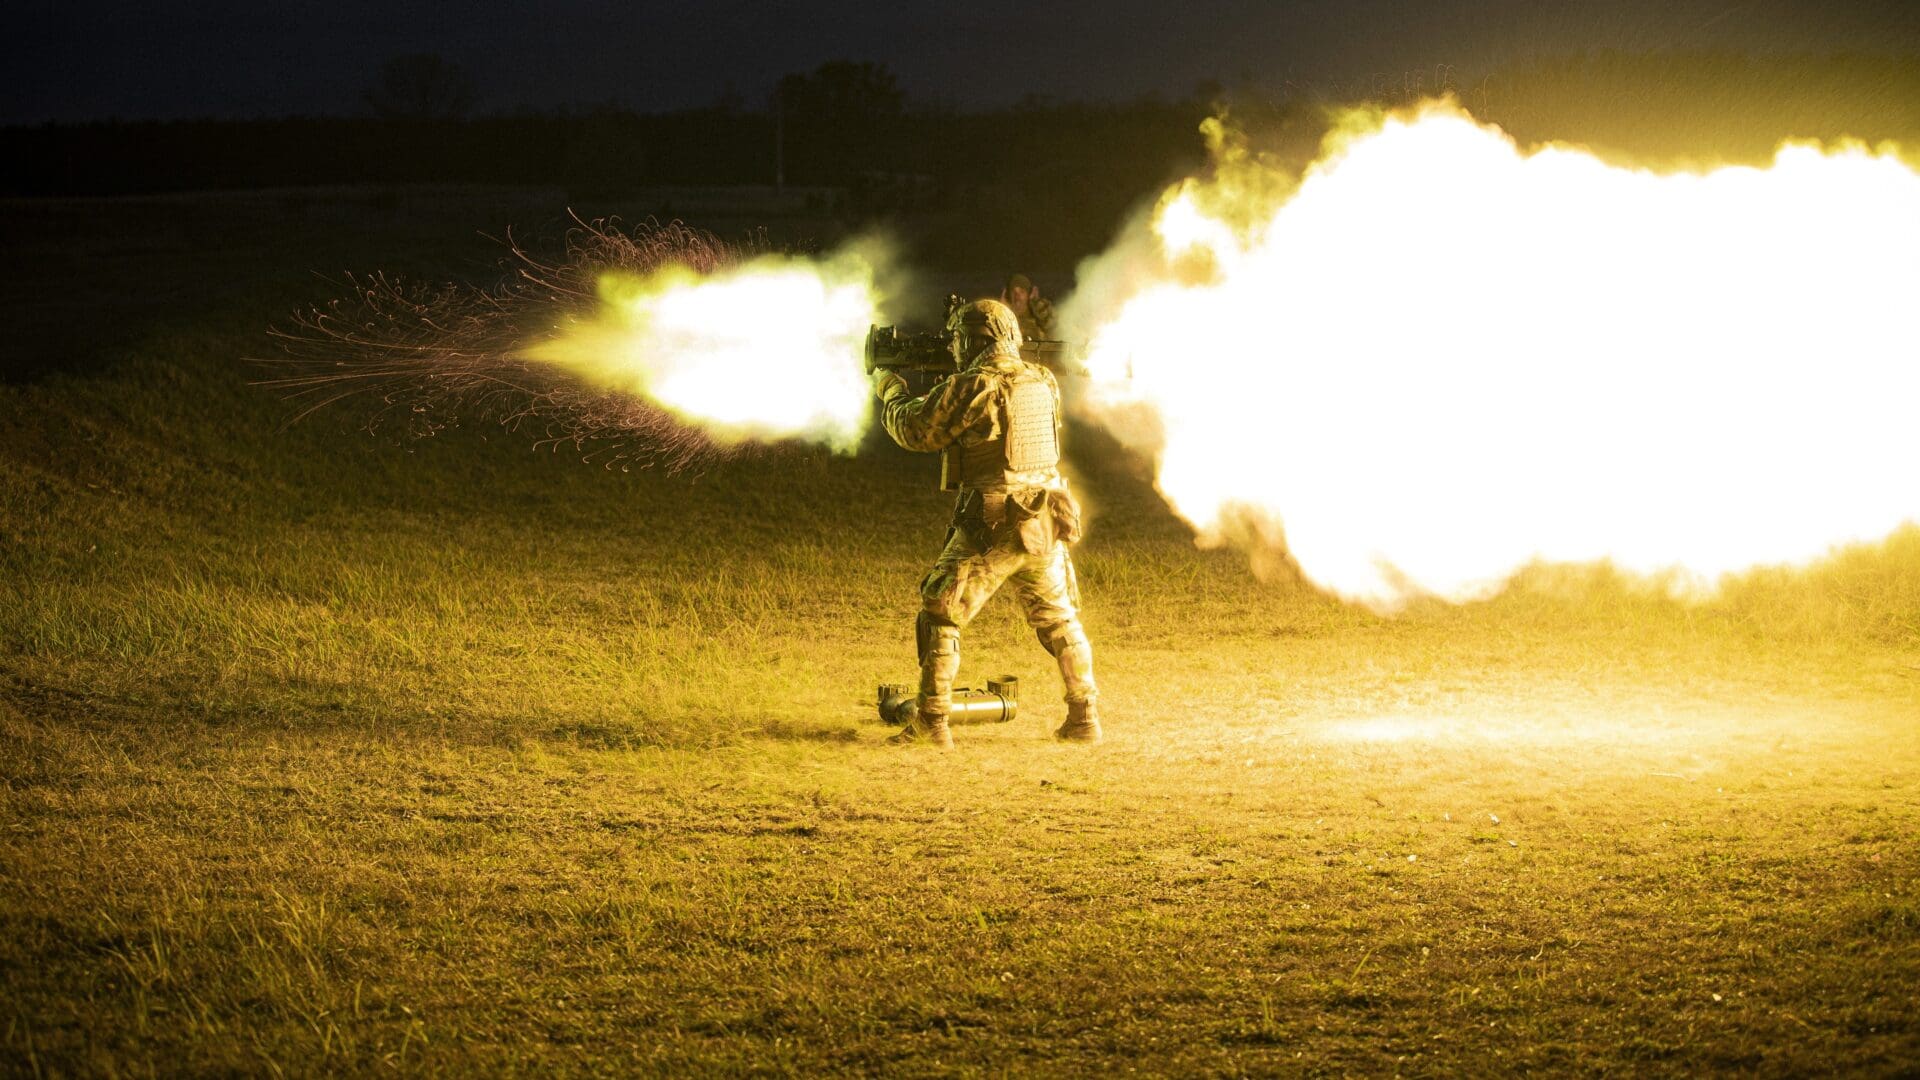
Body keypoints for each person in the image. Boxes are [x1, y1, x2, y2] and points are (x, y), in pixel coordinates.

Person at [872, 298, 1101, 749]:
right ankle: (1084, 716)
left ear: (971, 339)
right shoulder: (1043, 379)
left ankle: (933, 721)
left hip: (993, 522)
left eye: (958, 339)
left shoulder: (974, 383)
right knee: (1059, 619)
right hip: (1045, 520)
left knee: (941, 609)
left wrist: (891, 392)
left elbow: (917, 430)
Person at [1000, 273, 1057, 342]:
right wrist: (1001, 310)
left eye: (1022, 292)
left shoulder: (1038, 313)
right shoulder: (1006, 316)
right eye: (1013, 292)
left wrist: (1038, 304)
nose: (1017, 296)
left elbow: (1053, 329)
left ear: (1029, 294)